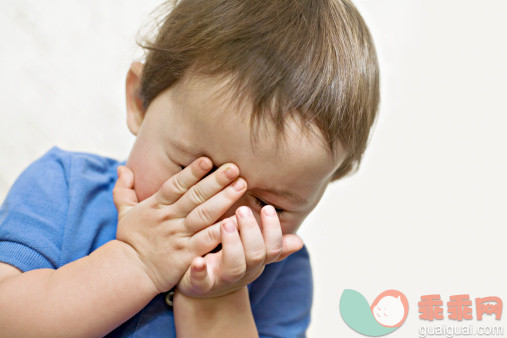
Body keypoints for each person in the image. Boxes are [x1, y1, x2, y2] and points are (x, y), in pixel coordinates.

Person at [0, 0, 379, 336]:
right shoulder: (63, 188)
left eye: (270, 206)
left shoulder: (281, 276)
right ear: (139, 101)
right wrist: (137, 262)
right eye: (194, 172)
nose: (220, 218)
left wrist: (217, 301)